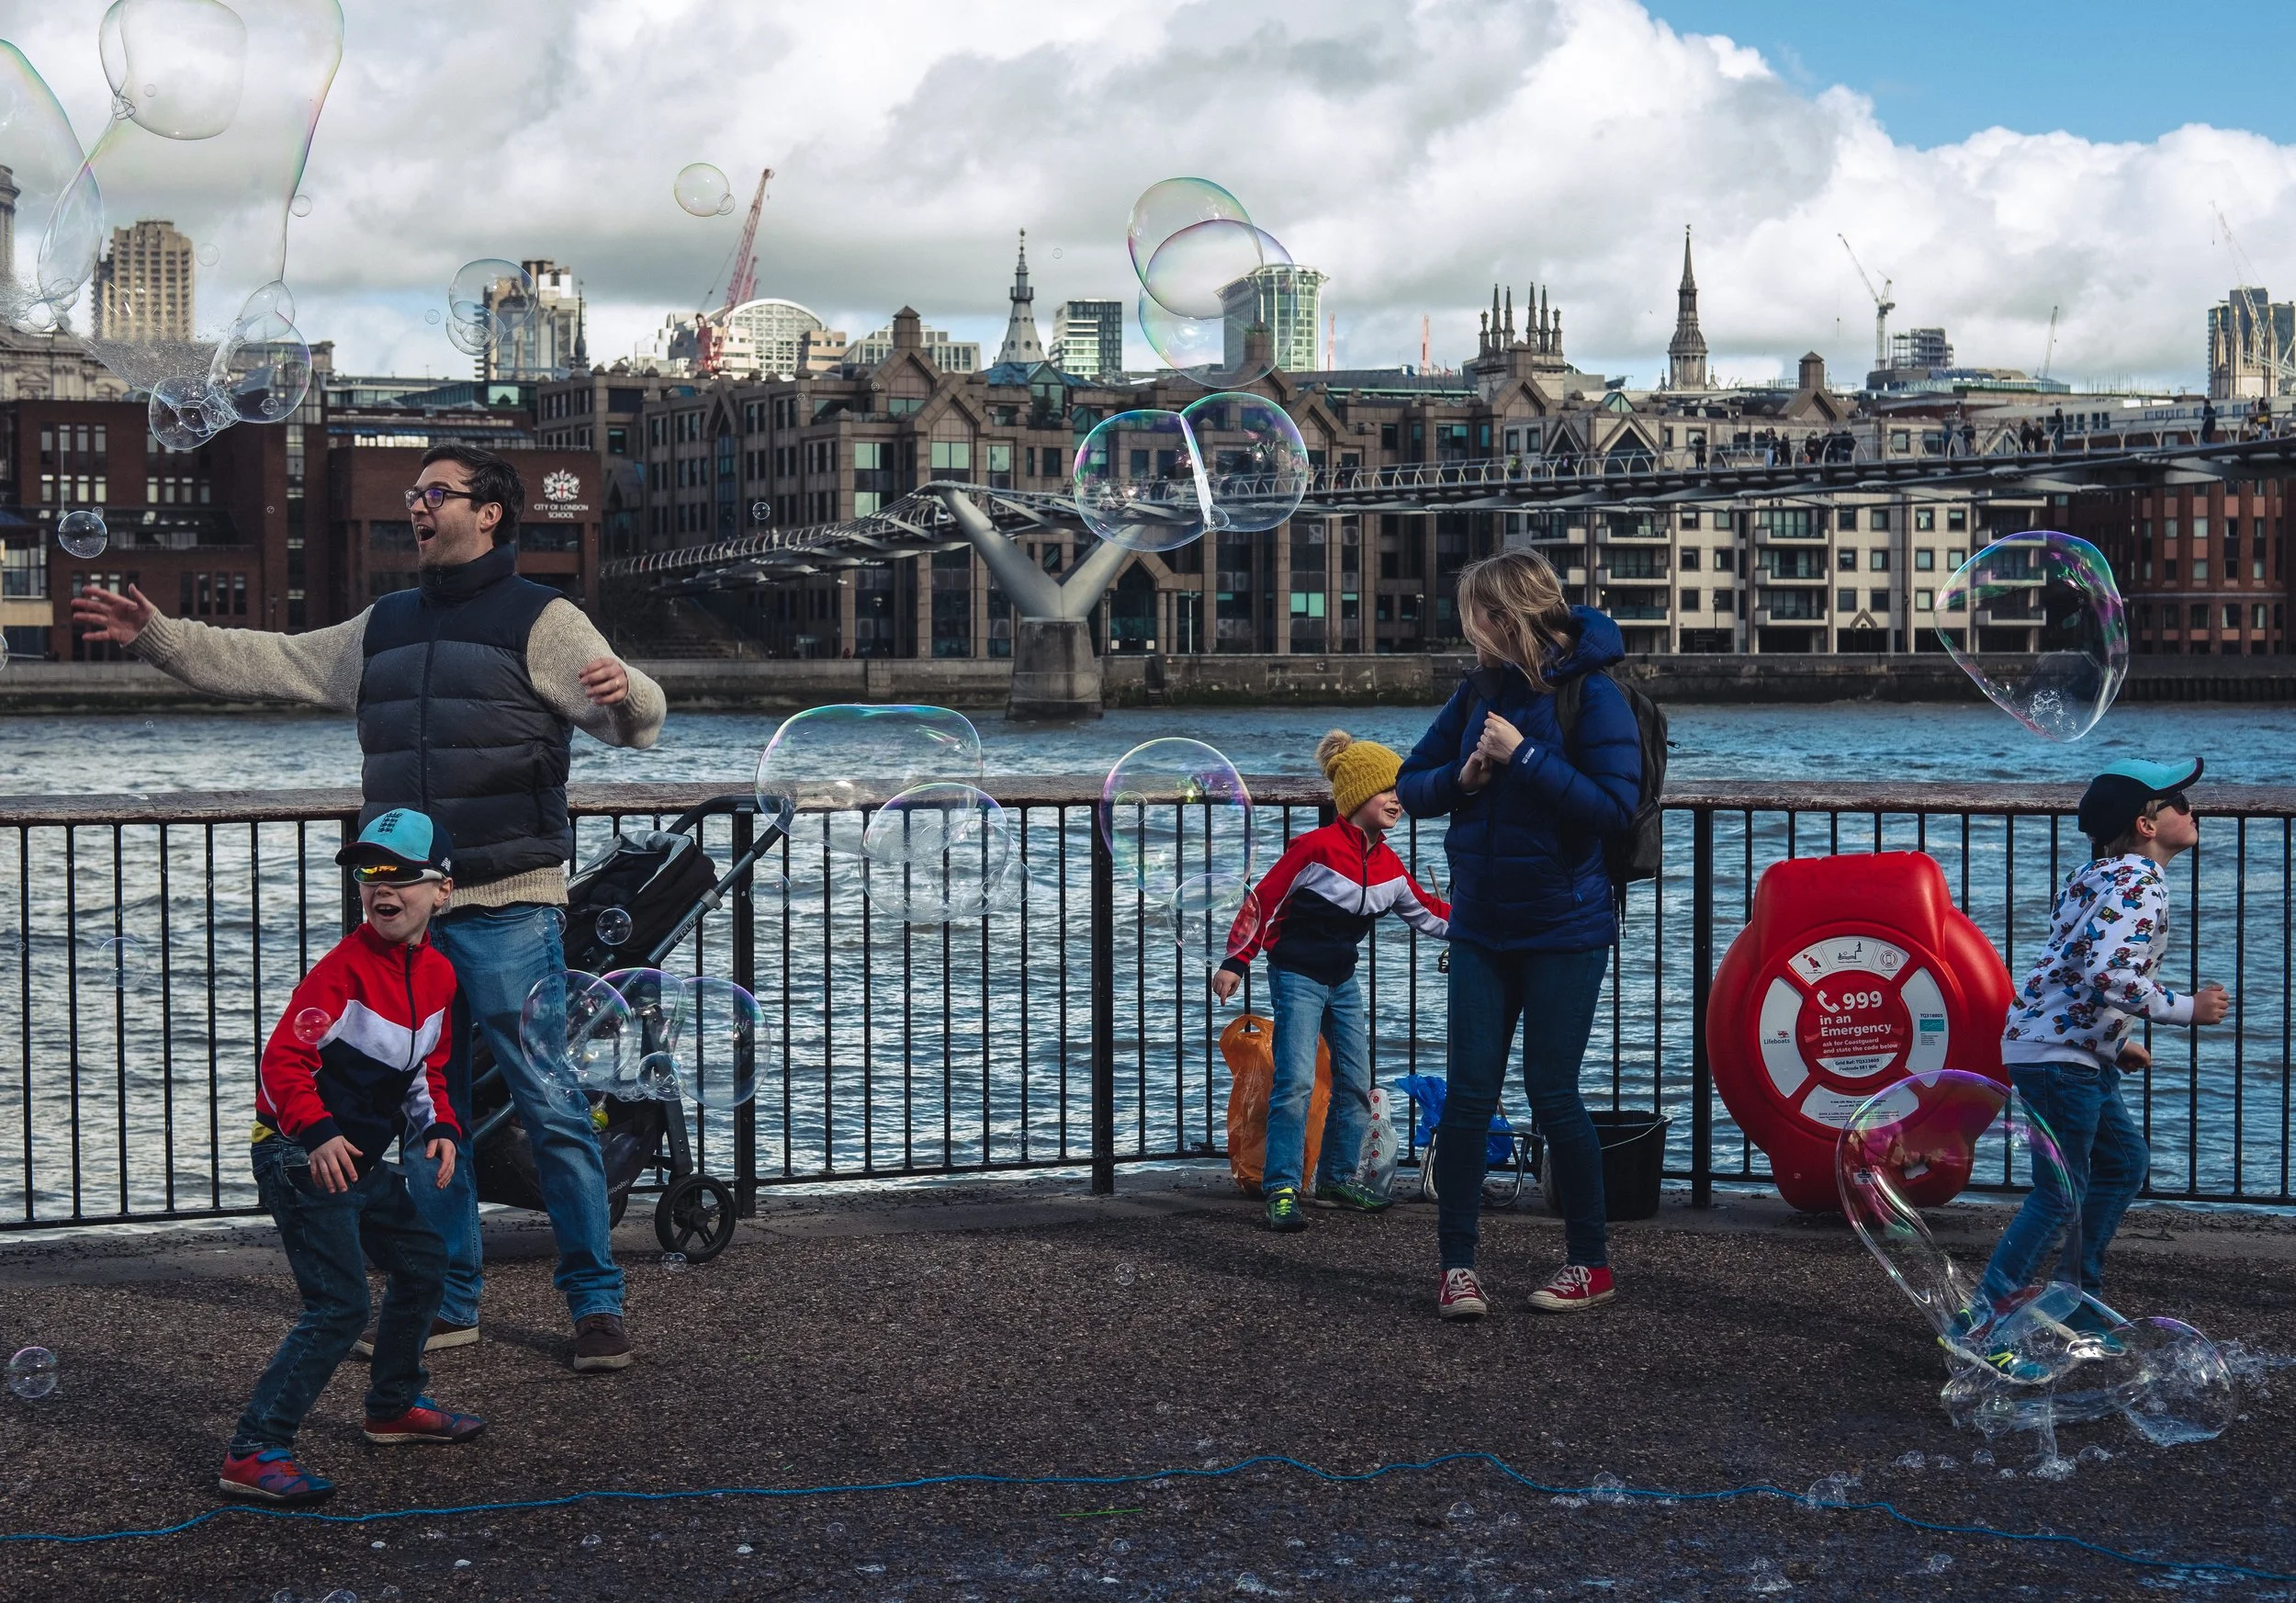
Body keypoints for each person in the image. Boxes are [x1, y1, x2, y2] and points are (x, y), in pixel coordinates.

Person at [73, 444, 665, 1373]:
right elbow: (267, 661)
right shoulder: (384, 624)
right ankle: (449, 1299)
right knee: (431, 1114)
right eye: (413, 495)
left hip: (509, 907)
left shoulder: (544, 619)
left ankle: (595, 1302)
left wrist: (629, 693)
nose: (417, 508)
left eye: (437, 493)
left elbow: (636, 716)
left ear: (490, 512)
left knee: (549, 1107)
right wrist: (159, 634)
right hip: (407, 920)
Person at [1397, 550, 1641, 1320]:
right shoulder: (1478, 691)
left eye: (1474, 613)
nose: (1466, 628)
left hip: (1566, 927)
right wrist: (1460, 780)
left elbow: (1615, 809)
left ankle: (1588, 1263)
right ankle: (1457, 1269)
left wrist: (1524, 756)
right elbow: (1409, 782)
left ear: (1505, 617)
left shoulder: (1594, 695)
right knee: (1468, 1099)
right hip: (1482, 923)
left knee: (1552, 1095)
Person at [219, 809, 484, 1507]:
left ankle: (392, 1405)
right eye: (370, 874)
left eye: (401, 874)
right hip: (298, 1154)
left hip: (359, 1160)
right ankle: (254, 1450)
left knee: (425, 1262)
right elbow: (284, 1059)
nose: (382, 888)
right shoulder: (341, 971)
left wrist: (445, 1130)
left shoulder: (440, 977)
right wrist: (317, 1132)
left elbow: (430, 1070)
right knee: (339, 1305)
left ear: (443, 890)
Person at [1953, 759, 2230, 1377]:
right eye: (2178, 800)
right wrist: (2187, 1008)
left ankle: (2075, 1299)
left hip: (2067, 1048)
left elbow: (2069, 963)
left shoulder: (2095, 873)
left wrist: (2111, 1040)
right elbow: (2109, 974)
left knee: (2123, 1161)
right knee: (2060, 1192)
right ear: (2147, 823)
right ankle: (1983, 1321)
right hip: (2061, 1060)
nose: (2191, 807)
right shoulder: (2142, 883)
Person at [1211, 730, 1450, 1231]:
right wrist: (1237, 961)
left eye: (1401, 791)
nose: (1398, 800)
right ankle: (1282, 1187)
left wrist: (1490, 924)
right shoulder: (1315, 848)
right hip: (1296, 975)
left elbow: (1429, 915)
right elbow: (1263, 901)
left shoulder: (1388, 864)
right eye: (1388, 790)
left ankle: (1339, 1179)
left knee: (1356, 1085)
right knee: (1296, 1083)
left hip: (1343, 980)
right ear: (1358, 795)